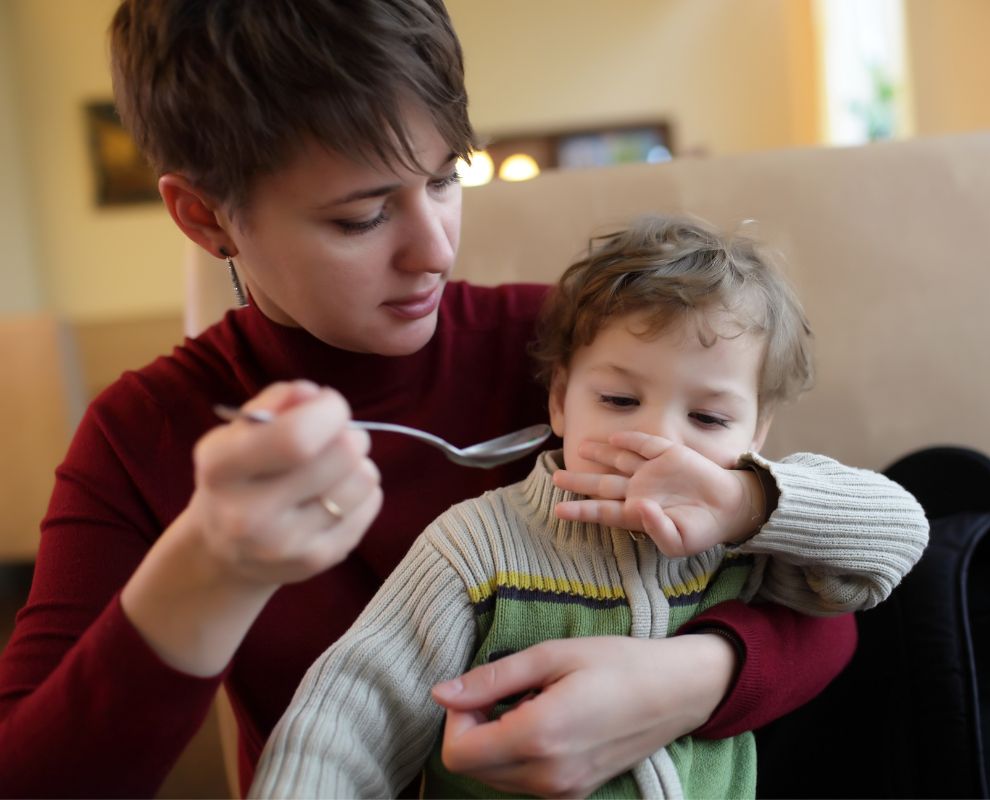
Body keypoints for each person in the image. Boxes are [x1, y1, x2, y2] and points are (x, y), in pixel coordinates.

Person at [0, 2, 927, 798]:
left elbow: (829, 597)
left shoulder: (585, 355)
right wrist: (210, 570)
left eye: (447, 178)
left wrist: (691, 679)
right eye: (360, 216)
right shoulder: (144, 436)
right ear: (205, 217)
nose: (435, 248)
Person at [249, 214, 930, 799]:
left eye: (709, 418)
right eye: (619, 401)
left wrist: (747, 501)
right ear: (559, 401)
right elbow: (350, 719)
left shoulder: (745, 535)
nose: (657, 439)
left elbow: (898, 536)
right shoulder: (478, 546)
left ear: (756, 434)